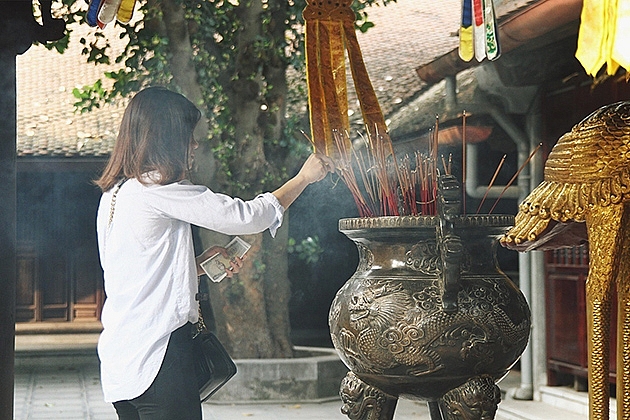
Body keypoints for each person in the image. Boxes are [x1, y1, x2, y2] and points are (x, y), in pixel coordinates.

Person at [95, 86, 334, 420]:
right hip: (158, 356)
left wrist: (197, 267)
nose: (194, 145)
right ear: (167, 138)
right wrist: (304, 178)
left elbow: (132, 273)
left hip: (121, 359)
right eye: (188, 136)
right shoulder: (159, 191)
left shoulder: (116, 195)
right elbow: (248, 216)